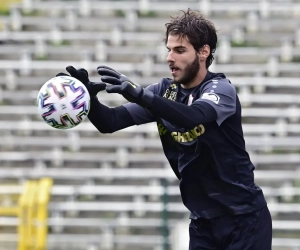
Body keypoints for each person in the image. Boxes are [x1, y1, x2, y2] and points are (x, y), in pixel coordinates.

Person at [57, 8, 272, 250]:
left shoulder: (221, 89)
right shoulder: (163, 92)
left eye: (180, 50)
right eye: (169, 50)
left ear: (204, 51)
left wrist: (140, 95)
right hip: (202, 222)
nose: (170, 58)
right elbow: (111, 122)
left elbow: (193, 117)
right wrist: (90, 101)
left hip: (244, 219)